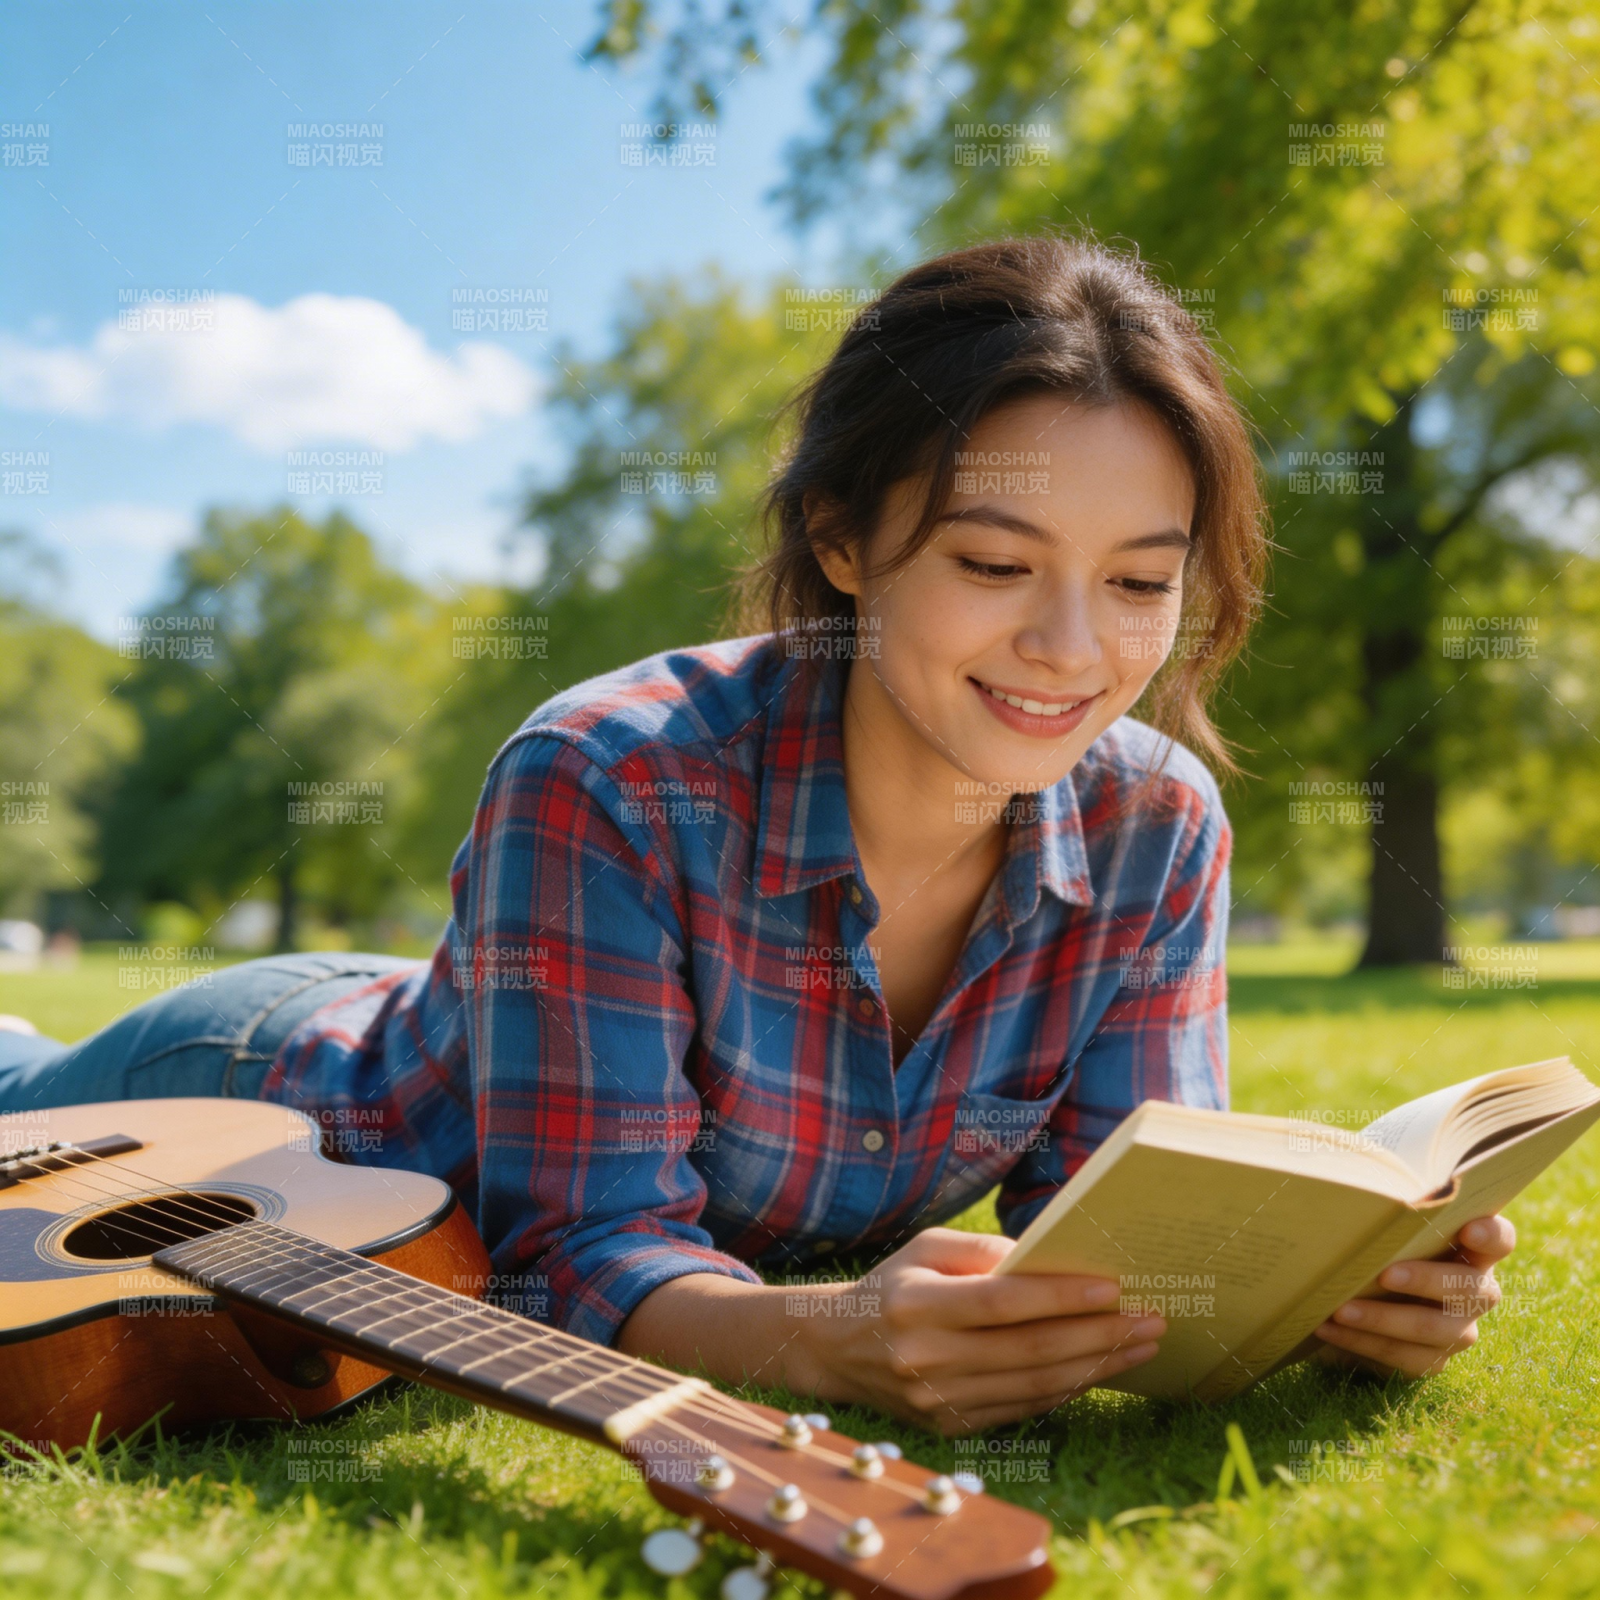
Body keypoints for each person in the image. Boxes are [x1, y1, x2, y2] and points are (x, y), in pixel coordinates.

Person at [0, 236, 1512, 1436]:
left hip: (481, 1007)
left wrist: (1315, 1296)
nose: (1070, 648)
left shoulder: (1158, 831)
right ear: (845, 541)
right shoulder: (609, 778)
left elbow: (1108, 1225)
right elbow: (570, 1256)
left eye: (1138, 583)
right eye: (995, 561)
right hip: (265, 1097)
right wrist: (828, 1338)